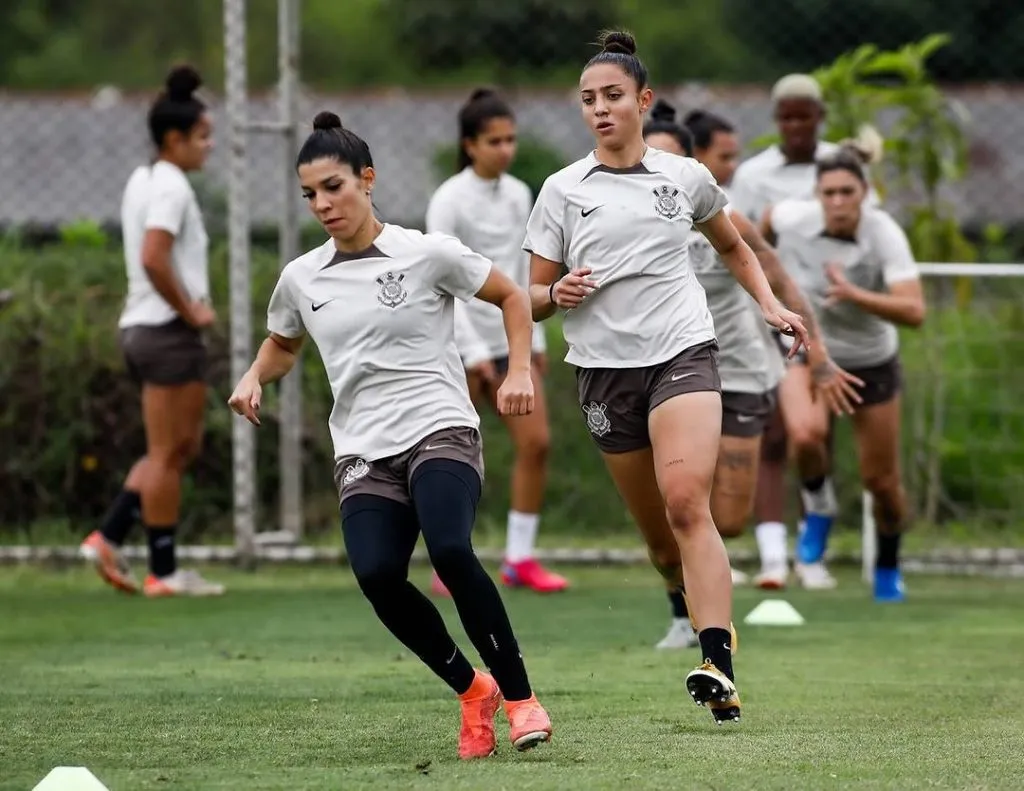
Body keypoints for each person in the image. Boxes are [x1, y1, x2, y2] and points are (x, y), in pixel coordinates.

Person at [228, 111, 551, 759]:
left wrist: (520, 368)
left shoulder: (426, 252)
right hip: (363, 448)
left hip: (440, 426)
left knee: (452, 549)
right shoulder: (302, 278)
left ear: (367, 180)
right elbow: (284, 342)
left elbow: (513, 296)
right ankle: (472, 689)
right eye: (310, 194)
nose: (323, 204)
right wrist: (256, 374)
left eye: (334, 187)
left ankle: (520, 699)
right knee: (377, 573)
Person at [526, 30, 810, 723]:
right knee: (660, 540)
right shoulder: (563, 190)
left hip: (683, 354)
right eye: (589, 98)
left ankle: (719, 663)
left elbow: (736, 248)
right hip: (601, 374)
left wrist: (771, 305)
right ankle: (683, 605)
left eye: (613, 96)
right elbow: (527, 295)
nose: (600, 108)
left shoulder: (684, 179)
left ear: (644, 102)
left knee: (688, 500)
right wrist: (556, 294)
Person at [644, 102, 860, 649]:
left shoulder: (717, 214)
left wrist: (818, 354)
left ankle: (707, 589)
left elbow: (779, 276)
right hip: (664, 366)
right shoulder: (615, 217)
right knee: (679, 506)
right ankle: (686, 614)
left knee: (727, 518)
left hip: (736, 367)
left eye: (669, 158)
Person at [80, 65, 224, 598]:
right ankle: (163, 572)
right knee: (169, 454)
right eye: (203, 137)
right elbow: (154, 257)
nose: (209, 147)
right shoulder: (171, 186)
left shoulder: (143, 179)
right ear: (174, 139)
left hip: (141, 330)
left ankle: (109, 535)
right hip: (165, 331)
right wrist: (191, 312)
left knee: (174, 448)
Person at [730, 73, 873, 591]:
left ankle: (814, 538)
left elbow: (863, 229)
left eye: (803, 115)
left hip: (838, 322)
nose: (794, 125)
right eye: (785, 117)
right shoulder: (754, 174)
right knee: (788, 434)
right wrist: (768, 226)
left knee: (814, 438)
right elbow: (740, 239)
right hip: (781, 322)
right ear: (776, 121)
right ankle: (776, 556)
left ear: (819, 117)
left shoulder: (841, 166)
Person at [762, 146, 924, 602]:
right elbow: (764, 225)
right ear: (817, 196)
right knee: (806, 435)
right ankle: (819, 508)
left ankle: (889, 565)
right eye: (828, 193)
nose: (836, 201)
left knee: (883, 483)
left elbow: (915, 311)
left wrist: (854, 294)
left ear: (864, 193)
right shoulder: (795, 218)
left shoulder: (884, 233)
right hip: (805, 347)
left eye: (846, 192)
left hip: (870, 360)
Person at [425, 87, 567, 596]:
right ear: (470, 145)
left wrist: (536, 341)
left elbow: (522, 273)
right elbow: (442, 280)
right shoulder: (448, 200)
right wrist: (474, 353)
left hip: (512, 340)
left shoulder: (518, 193)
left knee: (537, 445)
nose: (505, 149)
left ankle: (520, 559)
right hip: (457, 346)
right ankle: (448, 559)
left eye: (510, 139)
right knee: (454, 454)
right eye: (494, 140)